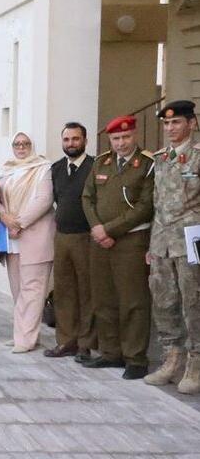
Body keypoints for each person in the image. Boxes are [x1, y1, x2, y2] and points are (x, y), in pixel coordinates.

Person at [81, 115, 154, 376]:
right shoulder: (102, 162)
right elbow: (87, 197)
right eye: (116, 139)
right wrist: (97, 228)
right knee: (104, 298)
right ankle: (111, 352)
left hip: (131, 241)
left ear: (134, 135)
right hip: (100, 241)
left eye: (125, 137)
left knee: (133, 300)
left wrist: (109, 229)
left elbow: (146, 206)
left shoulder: (146, 164)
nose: (121, 143)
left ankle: (135, 358)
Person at [145, 100, 200, 391]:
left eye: (176, 122)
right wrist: (152, 244)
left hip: (191, 241)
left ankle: (196, 362)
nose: (170, 128)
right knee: (164, 301)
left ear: (191, 123)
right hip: (162, 241)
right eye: (166, 123)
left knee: (193, 302)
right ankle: (172, 358)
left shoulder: (198, 157)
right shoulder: (161, 158)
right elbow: (158, 204)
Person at [0, 132, 55, 353]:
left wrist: (18, 223)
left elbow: (44, 200)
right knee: (18, 289)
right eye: (17, 144)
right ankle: (23, 333)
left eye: (25, 143)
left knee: (33, 289)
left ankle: (26, 339)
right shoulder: (7, 170)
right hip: (12, 238)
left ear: (32, 145)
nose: (21, 147)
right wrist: (4, 217)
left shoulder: (43, 169)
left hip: (34, 236)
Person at [45, 123, 96, 362]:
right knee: (64, 291)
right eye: (66, 140)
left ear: (85, 140)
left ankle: (85, 343)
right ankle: (66, 340)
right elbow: (56, 199)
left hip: (86, 237)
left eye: (76, 139)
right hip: (62, 236)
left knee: (86, 291)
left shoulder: (94, 167)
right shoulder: (56, 169)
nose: (71, 144)